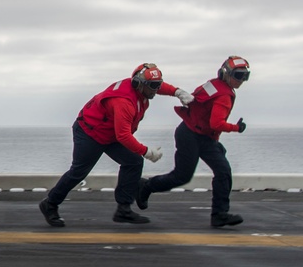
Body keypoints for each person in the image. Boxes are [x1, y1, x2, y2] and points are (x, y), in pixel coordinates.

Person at [39, 64, 194, 227]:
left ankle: (124, 210)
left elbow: (155, 86)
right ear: (139, 84)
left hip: (109, 133)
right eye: (154, 86)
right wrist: (146, 151)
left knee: (133, 162)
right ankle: (50, 203)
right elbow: (123, 135)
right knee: (78, 172)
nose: (157, 90)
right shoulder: (124, 102)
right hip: (90, 133)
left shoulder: (140, 87)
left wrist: (177, 92)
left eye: (158, 84)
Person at [136, 56, 250, 228]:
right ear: (226, 74)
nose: (241, 80)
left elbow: (198, 104)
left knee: (223, 171)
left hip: (196, 134)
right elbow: (216, 123)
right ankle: (146, 186)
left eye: (245, 76)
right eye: (238, 75)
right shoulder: (224, 95)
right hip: (192, 136)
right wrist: (237, 128)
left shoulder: (213, 84)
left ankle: (220, 215)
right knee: (183, 176)